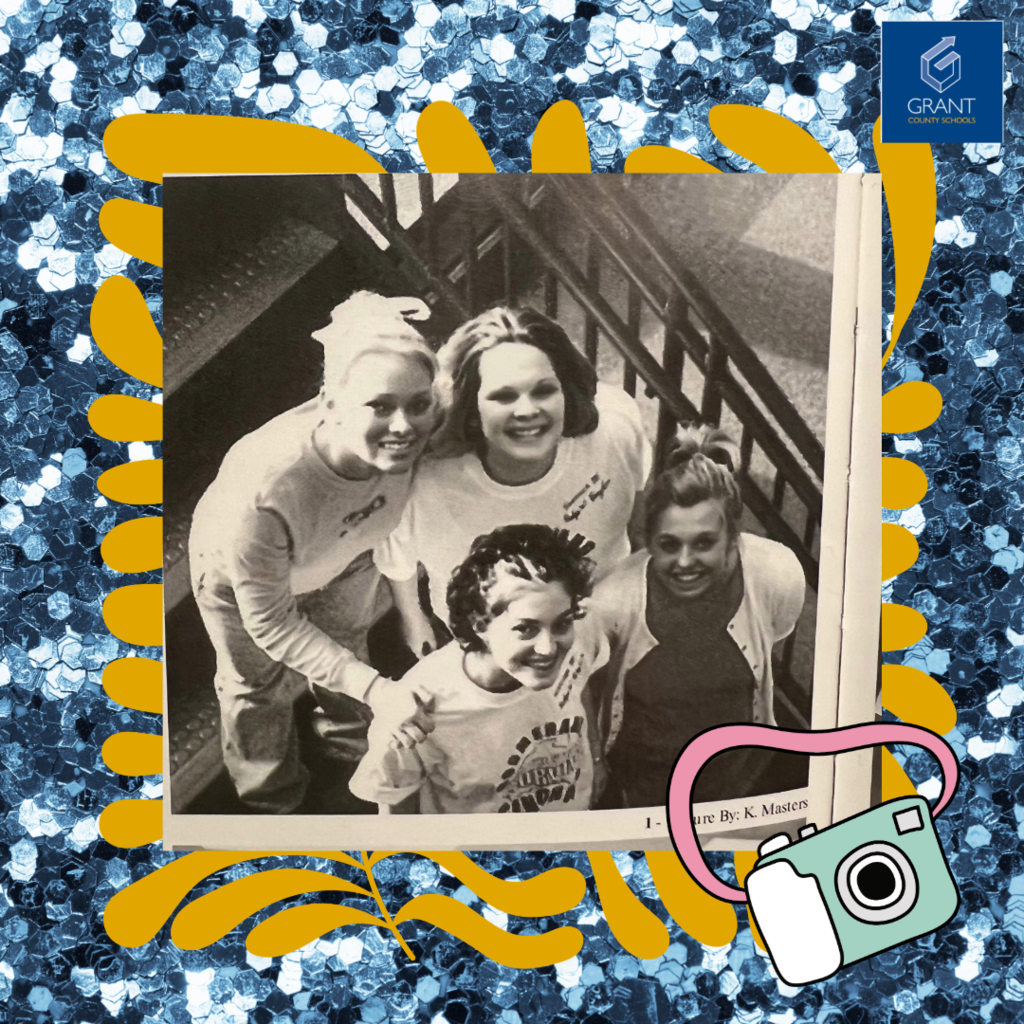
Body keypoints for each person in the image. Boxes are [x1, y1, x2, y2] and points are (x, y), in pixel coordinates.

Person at [187, 291, 440, 814]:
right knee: (257, 688)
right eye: (379, 406)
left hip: (347, 554)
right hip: (241, 585)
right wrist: (380, 689)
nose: (403, 427)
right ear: (329, 404)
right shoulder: (265, 495)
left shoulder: (420, 425)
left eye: (417, 404)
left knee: (347, 642)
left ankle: (356, 761)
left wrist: (411, 614)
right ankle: (272, 806)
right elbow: (274, 626)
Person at [374, 306, 652, 667]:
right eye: (503, 396)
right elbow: (398, 562)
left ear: (566, 391)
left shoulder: (615, 426)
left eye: (544, 390)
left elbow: (641, 504)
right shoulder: (420, 486)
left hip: (609, 622)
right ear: (470, 407)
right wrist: (414, 620)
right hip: (495, 652)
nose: (527, 411)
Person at [589, 425, 807, 810]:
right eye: (668, 545)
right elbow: (590, 691)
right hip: (643, 779)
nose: (685, 563)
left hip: (738, 773)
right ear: (648, 539)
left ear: (733, 537)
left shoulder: (777, 574)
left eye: (704, 542)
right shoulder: (612, 602)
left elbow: (775, 638)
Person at [349, 524, 611, 814]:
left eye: (561, 623)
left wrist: (596, 760)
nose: (548, 648)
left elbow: (583, 687)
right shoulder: (416, 711)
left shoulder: (580, 636)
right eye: (525, 628)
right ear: (479, 623)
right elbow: (395, 809)